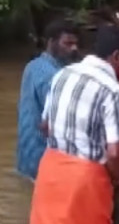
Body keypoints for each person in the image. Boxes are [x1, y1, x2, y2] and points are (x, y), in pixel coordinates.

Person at [29, 23, 119, 224]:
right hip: (84, 183)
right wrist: (117, 179)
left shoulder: (62, 75)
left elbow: (45, 126)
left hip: (50, 174)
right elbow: (115, 154)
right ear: (117, 57)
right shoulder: (114, 92)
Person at [16, 19, 80, 180]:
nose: (74, 49)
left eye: (75, 44)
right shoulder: (53, 75)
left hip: (26, 157)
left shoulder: (33, 66)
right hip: (43, 159)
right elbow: (61, 117)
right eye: (68, 43)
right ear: (51, 43)